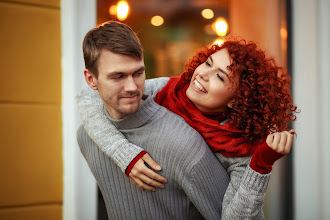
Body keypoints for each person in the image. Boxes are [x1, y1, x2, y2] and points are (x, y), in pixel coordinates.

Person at [78, 22, 299, 219]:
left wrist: (260, 164)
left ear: (236, 100)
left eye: (220, 76)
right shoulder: (170, 89)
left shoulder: (239, 148)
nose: (203, 74)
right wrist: (124, 154)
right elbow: (90, 97)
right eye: (208, 63)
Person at [77, 20, 233, 220]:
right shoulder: (86, 136)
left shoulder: (183, 143)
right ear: (91, 80)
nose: (132, 87)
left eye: (138, 73)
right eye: (118, 77)